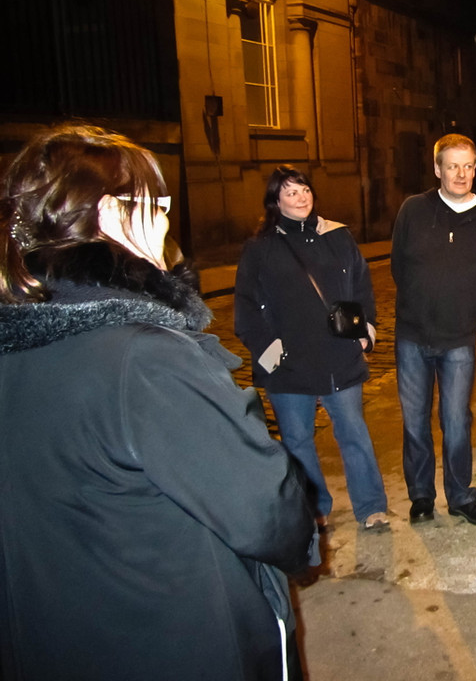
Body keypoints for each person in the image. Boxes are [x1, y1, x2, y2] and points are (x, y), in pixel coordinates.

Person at [0, 124, 315, 681]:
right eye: (158, 205)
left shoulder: (21, 339)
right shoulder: (145, 359)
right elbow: (265, 507)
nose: (168, 220)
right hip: (177, 633)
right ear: (110, 216)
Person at [235, 166, 389, 532]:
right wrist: (269, 351)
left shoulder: (337, 235)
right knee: (298, 441)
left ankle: (371, 506)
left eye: (304, 189)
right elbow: (245, 306)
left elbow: (362, 283)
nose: (300, 197)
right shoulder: (261, 248)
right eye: (290, 192)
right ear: (276, 201)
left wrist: (366, 328)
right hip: (289, 363)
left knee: (354, 432)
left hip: (339, 355)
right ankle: (315, 508)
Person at [392, 133, 476, 525]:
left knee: (457, 421)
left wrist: (465, 304)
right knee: (415, 421)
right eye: (453, 166)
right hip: (412, 336)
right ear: (437, 168)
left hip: (458, 337)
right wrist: (421, 304)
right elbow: (398, 266)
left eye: (469, 165)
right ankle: (421, 497)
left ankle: (460, 496)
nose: (461, 174)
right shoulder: (413, 210)